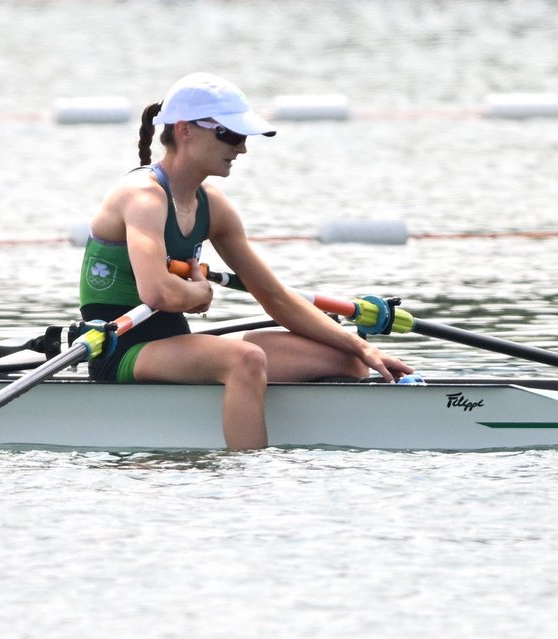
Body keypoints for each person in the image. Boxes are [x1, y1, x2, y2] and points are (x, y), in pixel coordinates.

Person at [78, 72, 413, 450]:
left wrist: (363, 348)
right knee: (245, 360)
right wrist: (199, 294)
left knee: (344, 360)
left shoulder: (212, 205)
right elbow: (156, 292)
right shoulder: (142, 197)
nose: (242, 149)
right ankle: (248, 471)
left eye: (244, 137)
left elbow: (276, 297)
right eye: (231, 135)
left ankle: (312, 444)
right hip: (118, 349)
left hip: (173, 343)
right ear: (185, 130)